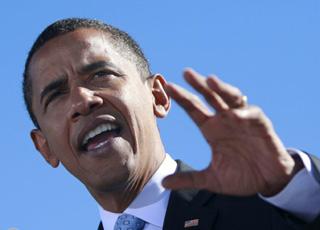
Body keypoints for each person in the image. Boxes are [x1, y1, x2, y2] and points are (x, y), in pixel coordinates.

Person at [23, 18, 320, 230]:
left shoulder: (264, 212)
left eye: (101, 75)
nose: (82, 100)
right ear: (44, 147)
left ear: (158, 96)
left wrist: (289, 182)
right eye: (56, 95)